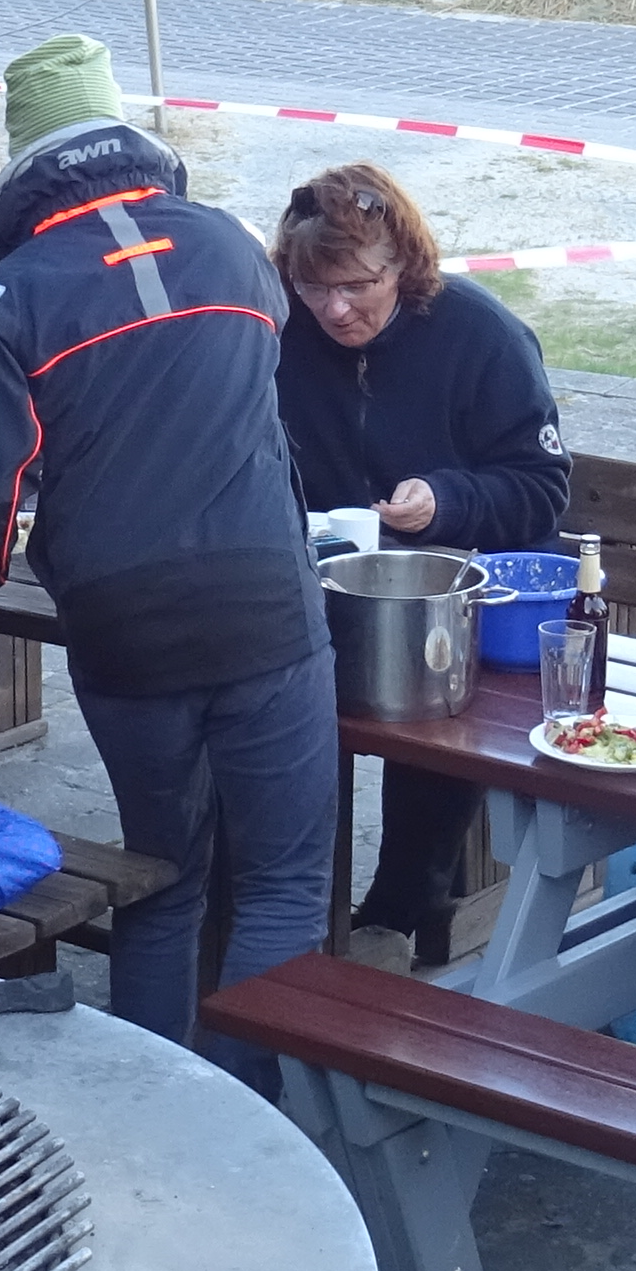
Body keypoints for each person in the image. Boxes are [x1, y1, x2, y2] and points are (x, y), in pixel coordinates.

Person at [0, 84, 329, 1066]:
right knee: (283, 889)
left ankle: (152, 1097)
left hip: (121, 622)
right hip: (267, 602)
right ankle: (241, 1131)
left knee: (163, 876)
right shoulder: (232, 246)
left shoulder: (3, 295)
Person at [270, 163, 566, 957]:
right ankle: (281, 910)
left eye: (358, 286)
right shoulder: (282, 330)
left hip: (463, 594)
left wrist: (447, 501)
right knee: (255, 689)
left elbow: (543, 488)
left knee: (431, 701)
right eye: (313, 287)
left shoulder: (482, 335)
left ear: (401, 263)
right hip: (328, 580)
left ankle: (401, 906)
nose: (335, 308)